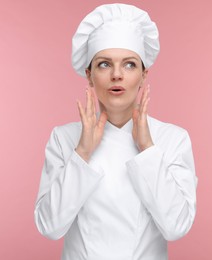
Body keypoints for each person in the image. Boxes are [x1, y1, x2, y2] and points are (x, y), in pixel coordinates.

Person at [34, 4, 197, 260]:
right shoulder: (64, 138)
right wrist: (82, 153)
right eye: (104, 64)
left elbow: (176, 228)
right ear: (89, 75)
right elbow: (49, 227)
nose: (117, 75)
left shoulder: (172, 139)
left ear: (144, 75)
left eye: (130, 65)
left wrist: (148, 150)